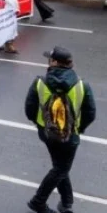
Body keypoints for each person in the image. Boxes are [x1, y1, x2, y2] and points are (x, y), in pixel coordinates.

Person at [24, 47, 96, 213]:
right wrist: (79, 128)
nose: (48, 61)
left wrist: (40, 125)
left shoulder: (40, 82)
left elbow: (29, 109)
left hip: (47, 133)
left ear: (55, 62)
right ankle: (38, 202)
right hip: (70, 135)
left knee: (60, 167)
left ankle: (65, 203)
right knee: (61, 168)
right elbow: (90, 113)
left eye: (50, 59)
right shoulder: (82, 85)